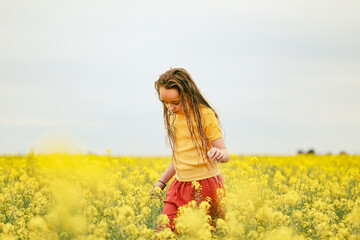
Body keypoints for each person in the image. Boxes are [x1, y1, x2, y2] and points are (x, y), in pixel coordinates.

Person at [152, 68, 230, 232]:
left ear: (189, 94)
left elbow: (225, 153)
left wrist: (218, 154)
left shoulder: (204, 115)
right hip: (179, 186)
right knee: (163, 232)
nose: (170, 107)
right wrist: (162, 182)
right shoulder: (174, 117)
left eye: (175, 102)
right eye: (165, 102)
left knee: (209, 233)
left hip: (206, 186)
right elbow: (179, 157)